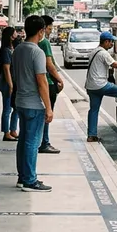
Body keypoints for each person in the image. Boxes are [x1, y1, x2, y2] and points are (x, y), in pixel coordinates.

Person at [12, 15, 53, 192]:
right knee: (31, 143)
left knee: (23, 141)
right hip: (34, 104)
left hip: (20, 101)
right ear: (41, 31)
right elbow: (42, 81)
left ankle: (23, 177)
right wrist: (49, 108)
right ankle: (30, 180)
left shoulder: (19, 49)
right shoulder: (37, 52)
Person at [38, 15, 64, 154]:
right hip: (48, 82)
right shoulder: (44, 43)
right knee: (48, 114)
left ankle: (42, 141)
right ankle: (44, 142)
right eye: (49, 28)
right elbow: (50, 64)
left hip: (39, 82)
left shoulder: (31, 43)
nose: (50, 31)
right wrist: (59, 79)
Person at [0, 26, 18, 141]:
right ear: (11, 35)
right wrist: (10, 84)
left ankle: (13, 130)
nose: (17, 33)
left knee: (16, 106)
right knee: (7, 108)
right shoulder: (5, 50)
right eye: (15, 32)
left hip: (13, 80)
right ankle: (6, 132)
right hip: (7, 81)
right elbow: (6, 68)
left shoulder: (12, 47)